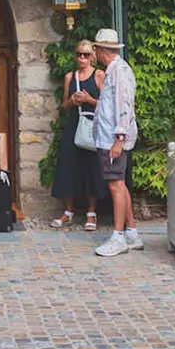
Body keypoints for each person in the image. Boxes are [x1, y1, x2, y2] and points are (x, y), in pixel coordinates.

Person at [90, 28, 142, 257]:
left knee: (115, 185)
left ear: (101, 50)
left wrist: (119, 139)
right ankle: (131, 233)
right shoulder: (114, 70)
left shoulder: (118, 71)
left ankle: (118, 236)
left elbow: (124, 105)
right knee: (119, 183)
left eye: (95, 49)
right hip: (108, 137)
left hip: (113, 138)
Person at [49, 39, 107, 231]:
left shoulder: (99, 75)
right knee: (68, 165)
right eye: (79, 54)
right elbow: (64, 106)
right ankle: (68, 210)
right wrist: (73, 101)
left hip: (92, 125)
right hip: (74, 125)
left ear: (92, 57)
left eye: (86, 54)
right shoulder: (70, 77)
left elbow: (107, 105)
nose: (82, 58)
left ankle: (91, 212)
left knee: (91, 166)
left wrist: (89, 99)